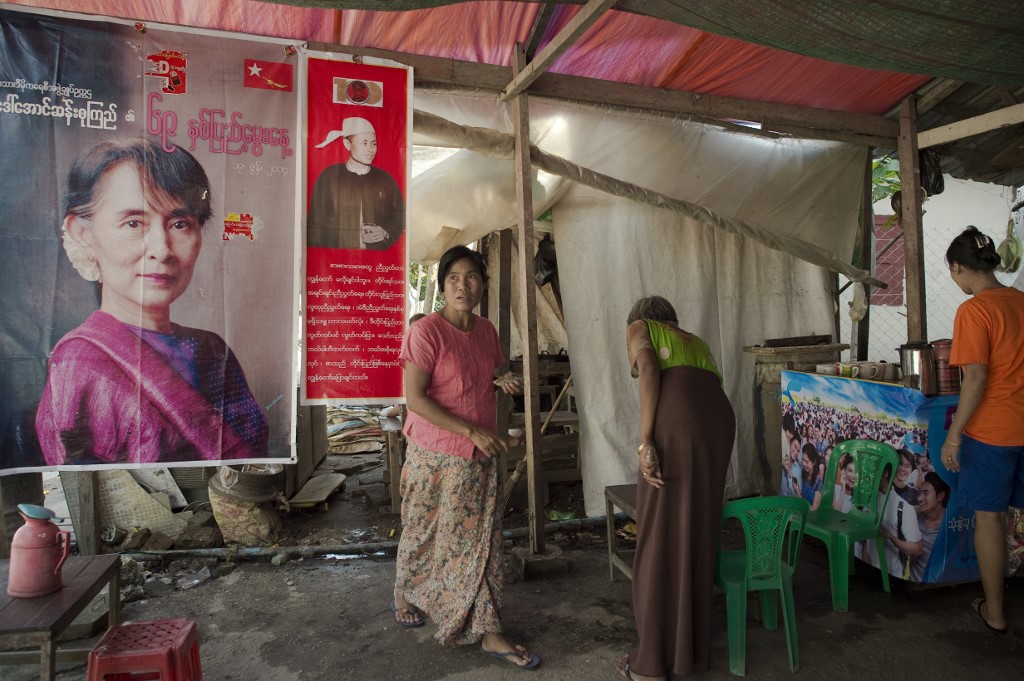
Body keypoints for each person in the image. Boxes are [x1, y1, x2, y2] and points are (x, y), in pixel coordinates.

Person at [35, 138, 268, 465]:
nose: (162, 248)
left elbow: (254, 466)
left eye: (179, 224)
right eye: (133, 223)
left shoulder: (212, 352)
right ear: (82, 233)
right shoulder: (79, 364)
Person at [392, 245, 536, 669]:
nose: (462, 285)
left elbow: (486, 374)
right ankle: (405, 589)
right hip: (434, 454)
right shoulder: (427, 332)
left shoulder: (488, 331)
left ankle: (488, 629)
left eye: (471, 277)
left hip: (479, 454)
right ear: (441, 286)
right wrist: (469, 429)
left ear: (483, 284)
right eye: (453, 277)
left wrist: (502, 379)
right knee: (423, 530)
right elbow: (415, 399)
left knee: (480, 543)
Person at [618, 295, 736, 681]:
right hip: (717, 426)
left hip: (678, 425)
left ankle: (652, 664)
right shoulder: (695, 341)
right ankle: (687, 652)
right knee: (695, 532)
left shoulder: (640, 328)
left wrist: (646, 439)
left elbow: (650, 371)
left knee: (657, 536)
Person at [941, 225, 1024, 633]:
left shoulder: (974, 310)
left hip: (993, 432)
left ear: (959, 267)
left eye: (952, 272)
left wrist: (954, 435)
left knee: (989, 520)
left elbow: (974, 378)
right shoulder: (1021, 301)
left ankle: (994, 612)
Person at [307, 117, 404, 250]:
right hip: (335, 261)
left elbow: (399, 216)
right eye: (364, 143)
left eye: (373, 143)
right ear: (347, 144)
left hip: (375, 263)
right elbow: (315, 225)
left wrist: (384, 233)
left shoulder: (384, 179)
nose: (371, 149)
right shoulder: (329, 177)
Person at [910, 472, 952, 581]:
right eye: (920, 492)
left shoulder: (951, 524)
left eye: (925, 493)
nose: (919, 498)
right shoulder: (916, 516)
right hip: (913, 584)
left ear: (940, 496)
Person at [797, 443, 824, 510]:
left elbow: (813, 510)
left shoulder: (818, 483)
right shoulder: (804, 473)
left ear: (814, 462)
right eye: (803, 460)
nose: (804, 464)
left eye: (806, 461)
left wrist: (797, 493)